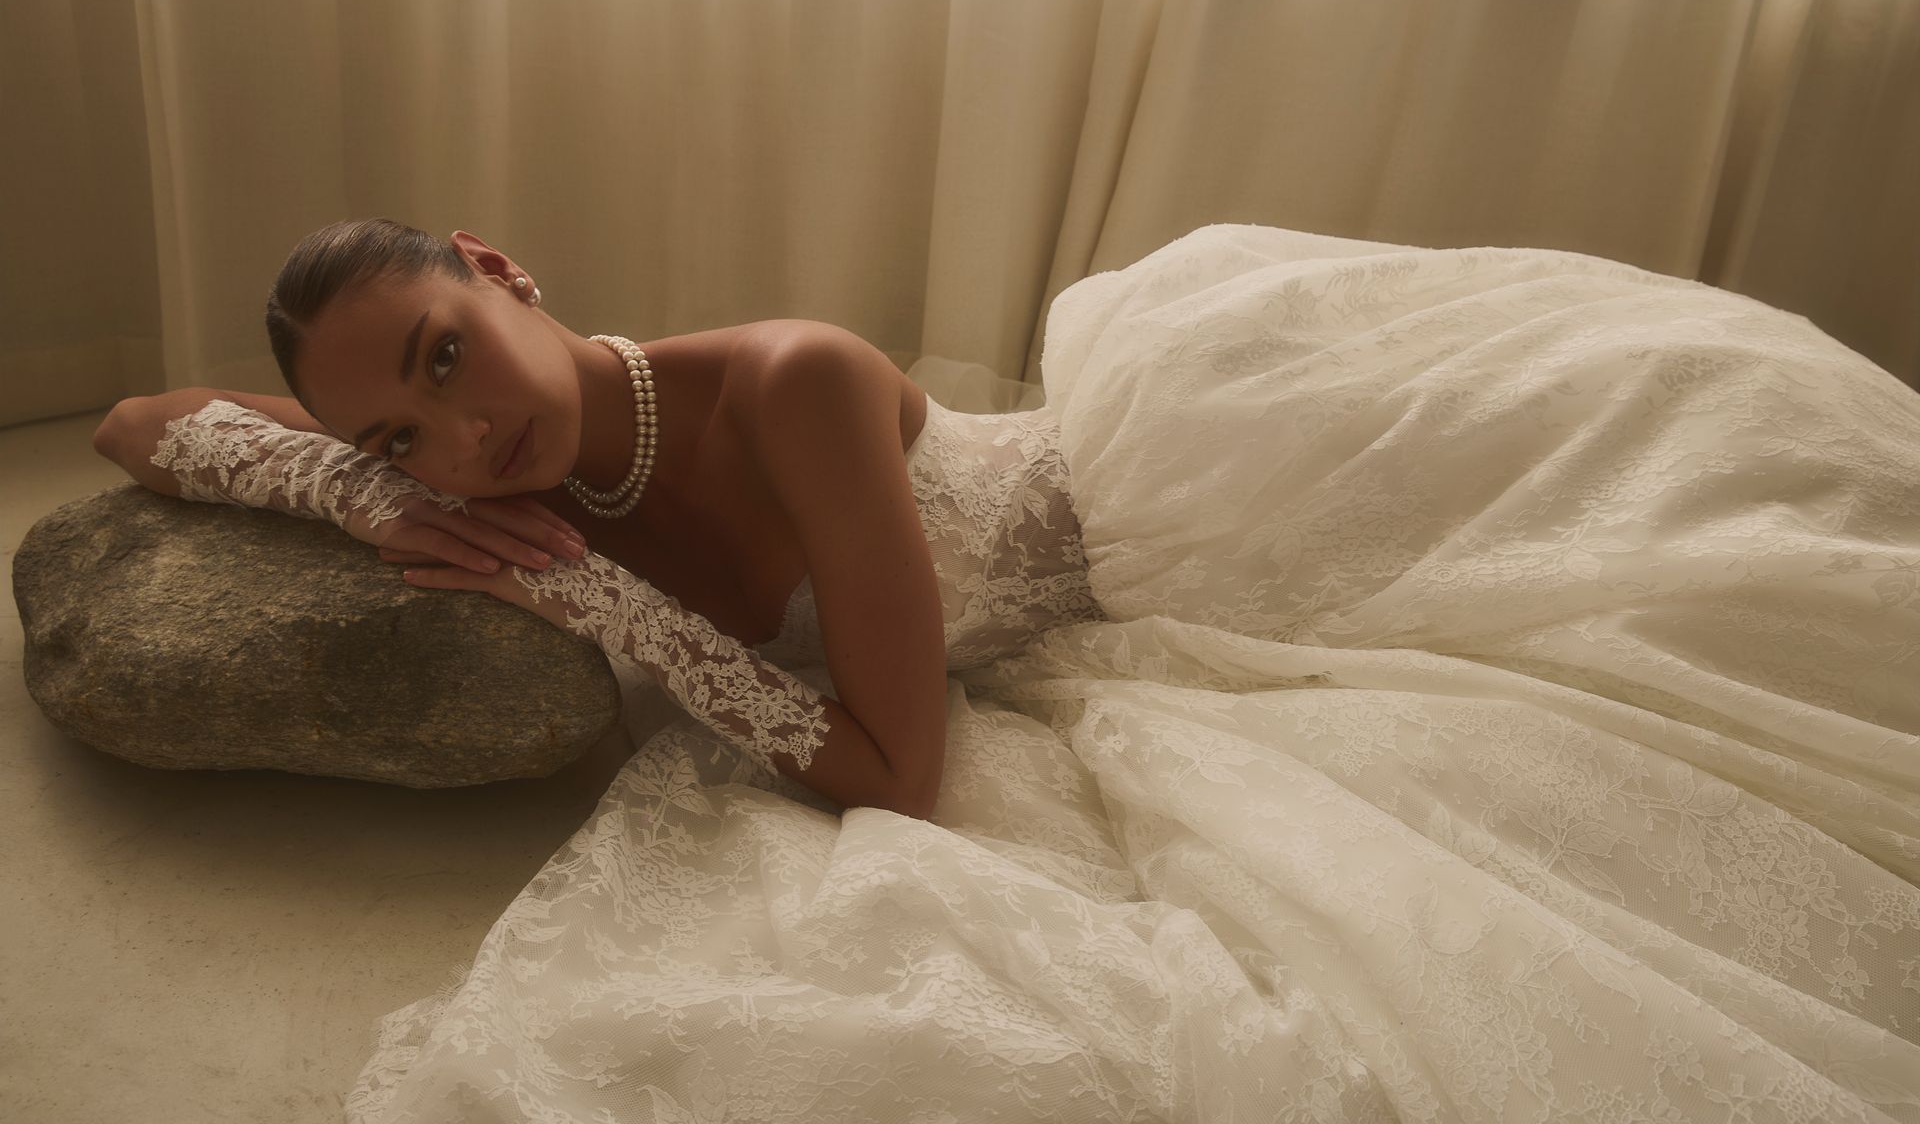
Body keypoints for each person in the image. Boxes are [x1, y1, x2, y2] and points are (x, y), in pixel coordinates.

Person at [94, 218, 1920, 1121]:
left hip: (1202, 512)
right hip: (1026, 631)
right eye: (401, 434)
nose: (456, 434)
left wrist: (609, 610)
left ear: (497, 268)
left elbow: (899, 772)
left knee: (1677, 555)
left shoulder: (787, 377)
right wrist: (348, 484)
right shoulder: (492, 470)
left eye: (439, 353)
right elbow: (134, 420)